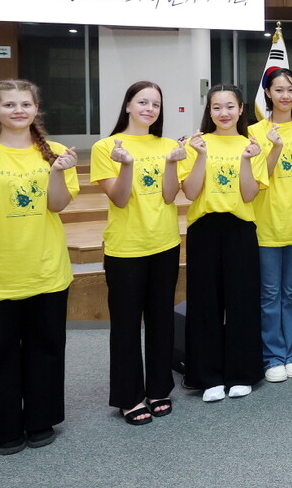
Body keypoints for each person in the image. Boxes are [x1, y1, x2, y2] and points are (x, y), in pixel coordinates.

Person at [0, 79, 79, 455]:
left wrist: (57, 172)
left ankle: (40, 421)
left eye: (25, 104)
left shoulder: (55, 152)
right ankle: (5, 429)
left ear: (36, 109)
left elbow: (57, 205)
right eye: (9, 105)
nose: (18, 110)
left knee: (46, 350)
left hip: (45, 270)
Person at [91, 81, 184, 425]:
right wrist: (126, 164)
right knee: (127, 324)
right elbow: (119, 198)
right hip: (125, 248)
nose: (149, 108)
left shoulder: (168, 145)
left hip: (165, 243)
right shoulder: (107, 147)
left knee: (161, 320)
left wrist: (173, 163)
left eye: (155, 104)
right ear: (128, 105)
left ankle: (159, 388)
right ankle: (129, 397)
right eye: (142, 102)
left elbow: (171, 195)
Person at [179, 84, 266, 403]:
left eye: (230, 107)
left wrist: (246, 160)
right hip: (204, 228)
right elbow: (189, 192)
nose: (224, 113)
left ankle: (242, 373)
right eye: (217, 107)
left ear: (241, 109)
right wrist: (200, 155)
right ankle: (208, 375)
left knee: (242, 302)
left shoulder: (251, 145)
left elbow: (248, 195)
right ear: (209, 111)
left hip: (240, 229)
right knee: (205, 304)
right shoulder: (196, 143)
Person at [249, 68, 292, 385]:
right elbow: (260, 177)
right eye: (278, 90)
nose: (285, 95)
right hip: (266, 225)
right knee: (269, 294)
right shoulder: (253, 131)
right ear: (268, 94)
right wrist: (274, 146)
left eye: (290, 89)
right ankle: (273, 356)